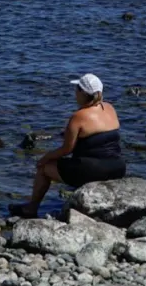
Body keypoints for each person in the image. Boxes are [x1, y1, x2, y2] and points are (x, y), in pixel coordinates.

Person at [10, 73, 126, 218]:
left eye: (77, 89)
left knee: (44, 168)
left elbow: (66, 150)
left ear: (83, 94)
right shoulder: (109, 108)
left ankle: (31, 208)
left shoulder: (79, 116)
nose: (75, 92)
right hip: (118, 167)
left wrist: (45, 157)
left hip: (95, 170)